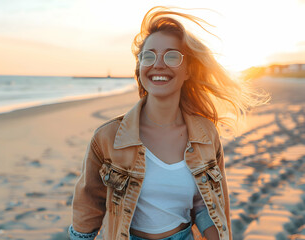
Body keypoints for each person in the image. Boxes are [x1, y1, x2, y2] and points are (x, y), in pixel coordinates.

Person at [68, 6, 268, 240]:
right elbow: (88, 206)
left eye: (172, 56)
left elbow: (206, 204)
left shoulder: (205, 134)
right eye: (149, 56)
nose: (158, 64)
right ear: (140, 67)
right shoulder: (108, 138)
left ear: (188, 70)